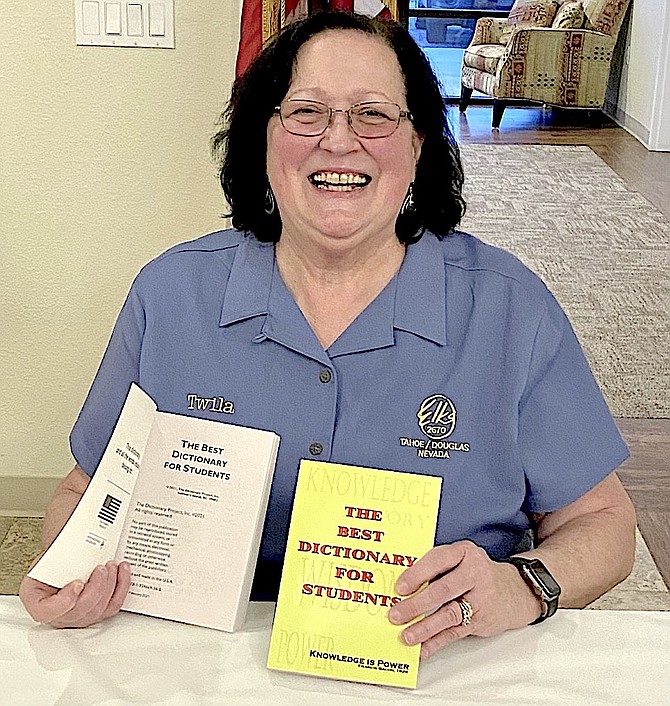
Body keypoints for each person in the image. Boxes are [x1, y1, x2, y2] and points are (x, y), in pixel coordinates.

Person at [21, 12, 636, 658]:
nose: (339, 142)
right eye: (306, 112)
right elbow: (82, 494)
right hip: (198, 670)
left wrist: (521, 584)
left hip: (445, 668)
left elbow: (603, 524)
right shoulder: (170, 296)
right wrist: (68, 572)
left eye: (373, 115)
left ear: (419, 143)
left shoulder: (511, 310)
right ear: (263, 139)